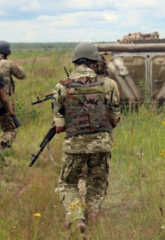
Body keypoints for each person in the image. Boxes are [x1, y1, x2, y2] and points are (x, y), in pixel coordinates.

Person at [52, 42, 121, 237]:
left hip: (75, 145)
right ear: (95, 63)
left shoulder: (61, 87)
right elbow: (114, 119)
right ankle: (93, 219)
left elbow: (60, 126)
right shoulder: (109, 84)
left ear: (75, 62)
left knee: (68, 183)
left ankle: (76, 220)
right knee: (97, 183)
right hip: (102, 144)